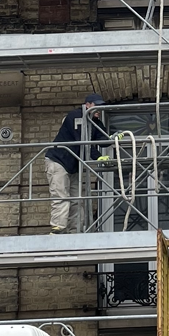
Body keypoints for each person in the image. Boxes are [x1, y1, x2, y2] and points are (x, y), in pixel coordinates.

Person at [45, 93, 107, 232]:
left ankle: (74, 232)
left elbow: (103, 140)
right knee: (61, 196)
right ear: (87, 105)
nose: (98, 110)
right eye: (96, 106)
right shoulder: (75, 116)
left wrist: (113, 137)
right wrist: (96, 157)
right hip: (59, 161)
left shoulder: (94, 121)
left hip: (74, 165)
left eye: (101, 107)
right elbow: (82, 141)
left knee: (77, 200)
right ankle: (57, 229)